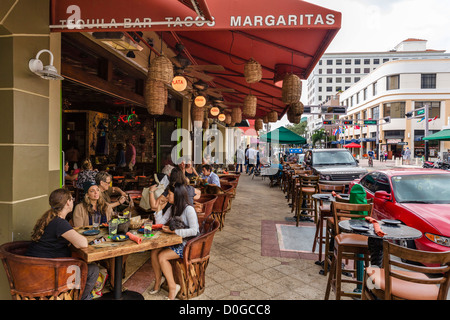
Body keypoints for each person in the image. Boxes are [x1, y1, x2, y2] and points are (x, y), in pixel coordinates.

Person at [26, 188, 99, 300]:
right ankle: (81, 298)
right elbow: (83, 243)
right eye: (72, 199)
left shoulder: (50, 218)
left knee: (82, 264)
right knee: (93, 269)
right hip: (48, 274)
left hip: (35, 271)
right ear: (68, 202)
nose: (73, 201)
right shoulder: (59, 223)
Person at [150, 183, 199, 300]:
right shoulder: (173, 208)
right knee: (154, 252)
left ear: (177, 195)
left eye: (170, 194)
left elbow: (194, 231)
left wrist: (175, 232)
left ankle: (173, 287)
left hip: (188, 244)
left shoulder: (189, 209)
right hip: (177, 242)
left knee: (162, 256)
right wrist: (158, 209)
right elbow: (161, 223)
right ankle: (158, 281)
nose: (167, 197)